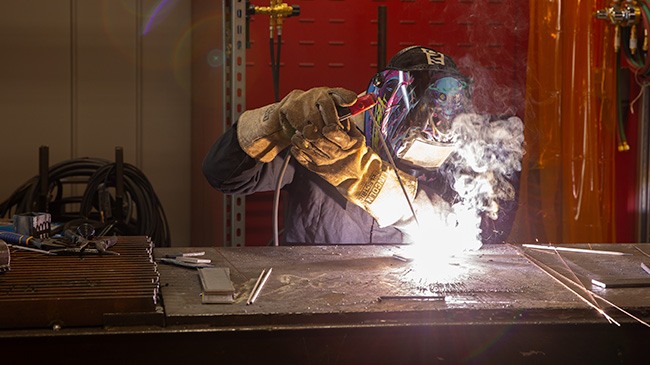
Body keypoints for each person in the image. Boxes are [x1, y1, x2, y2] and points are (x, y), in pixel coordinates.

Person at [203, 46, 524, 248]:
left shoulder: (466, 158)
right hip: (313, 299)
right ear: (387, 106)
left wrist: (366, 179)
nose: (432, 140)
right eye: (421, 128)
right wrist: (274, 121)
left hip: (403, 314)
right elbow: (222, 175)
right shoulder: (325, 135)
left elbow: (486, 235)